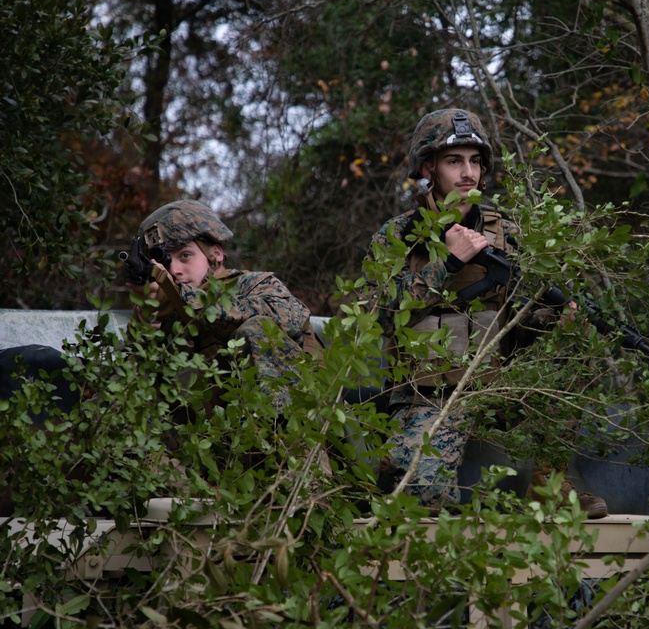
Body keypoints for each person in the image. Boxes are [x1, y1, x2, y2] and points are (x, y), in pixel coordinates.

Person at [359, 108, 607, 517]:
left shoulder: (507, 232)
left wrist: (556, 319)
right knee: (420, 498)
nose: (467, 172)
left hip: (503, 386)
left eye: (475, 161)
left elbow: (525, 314)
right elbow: (375, 315)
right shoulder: (398, 236)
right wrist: (448, 264)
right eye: (454, 161)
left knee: (574, 337)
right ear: (428, 167)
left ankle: (551, 487)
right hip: (433, 393)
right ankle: (404, 462)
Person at [128, 199, 321, 411]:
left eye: (185, 255)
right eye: (165, 262)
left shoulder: (255, 285)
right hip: (217, 435)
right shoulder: (165, 311)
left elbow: (288, 320)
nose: (175, 270)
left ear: (216, 254)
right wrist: (144, 330)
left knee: (255, 329)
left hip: (301, 425)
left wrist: (181, 297)